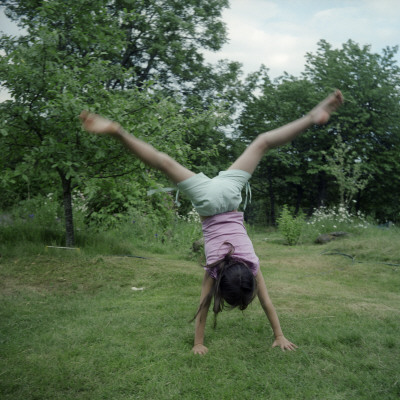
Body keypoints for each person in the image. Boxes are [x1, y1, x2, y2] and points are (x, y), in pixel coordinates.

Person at [80, 90, 344, 355]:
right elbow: (208, 305)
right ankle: (119, 134)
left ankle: (311, 117)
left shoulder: (251, 262)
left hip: (230, 196)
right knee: (163, 162)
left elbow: (262, 301)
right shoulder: (214, 266)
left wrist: (278, 334)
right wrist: (202, 342)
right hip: (207, 198)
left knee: (262, 142)